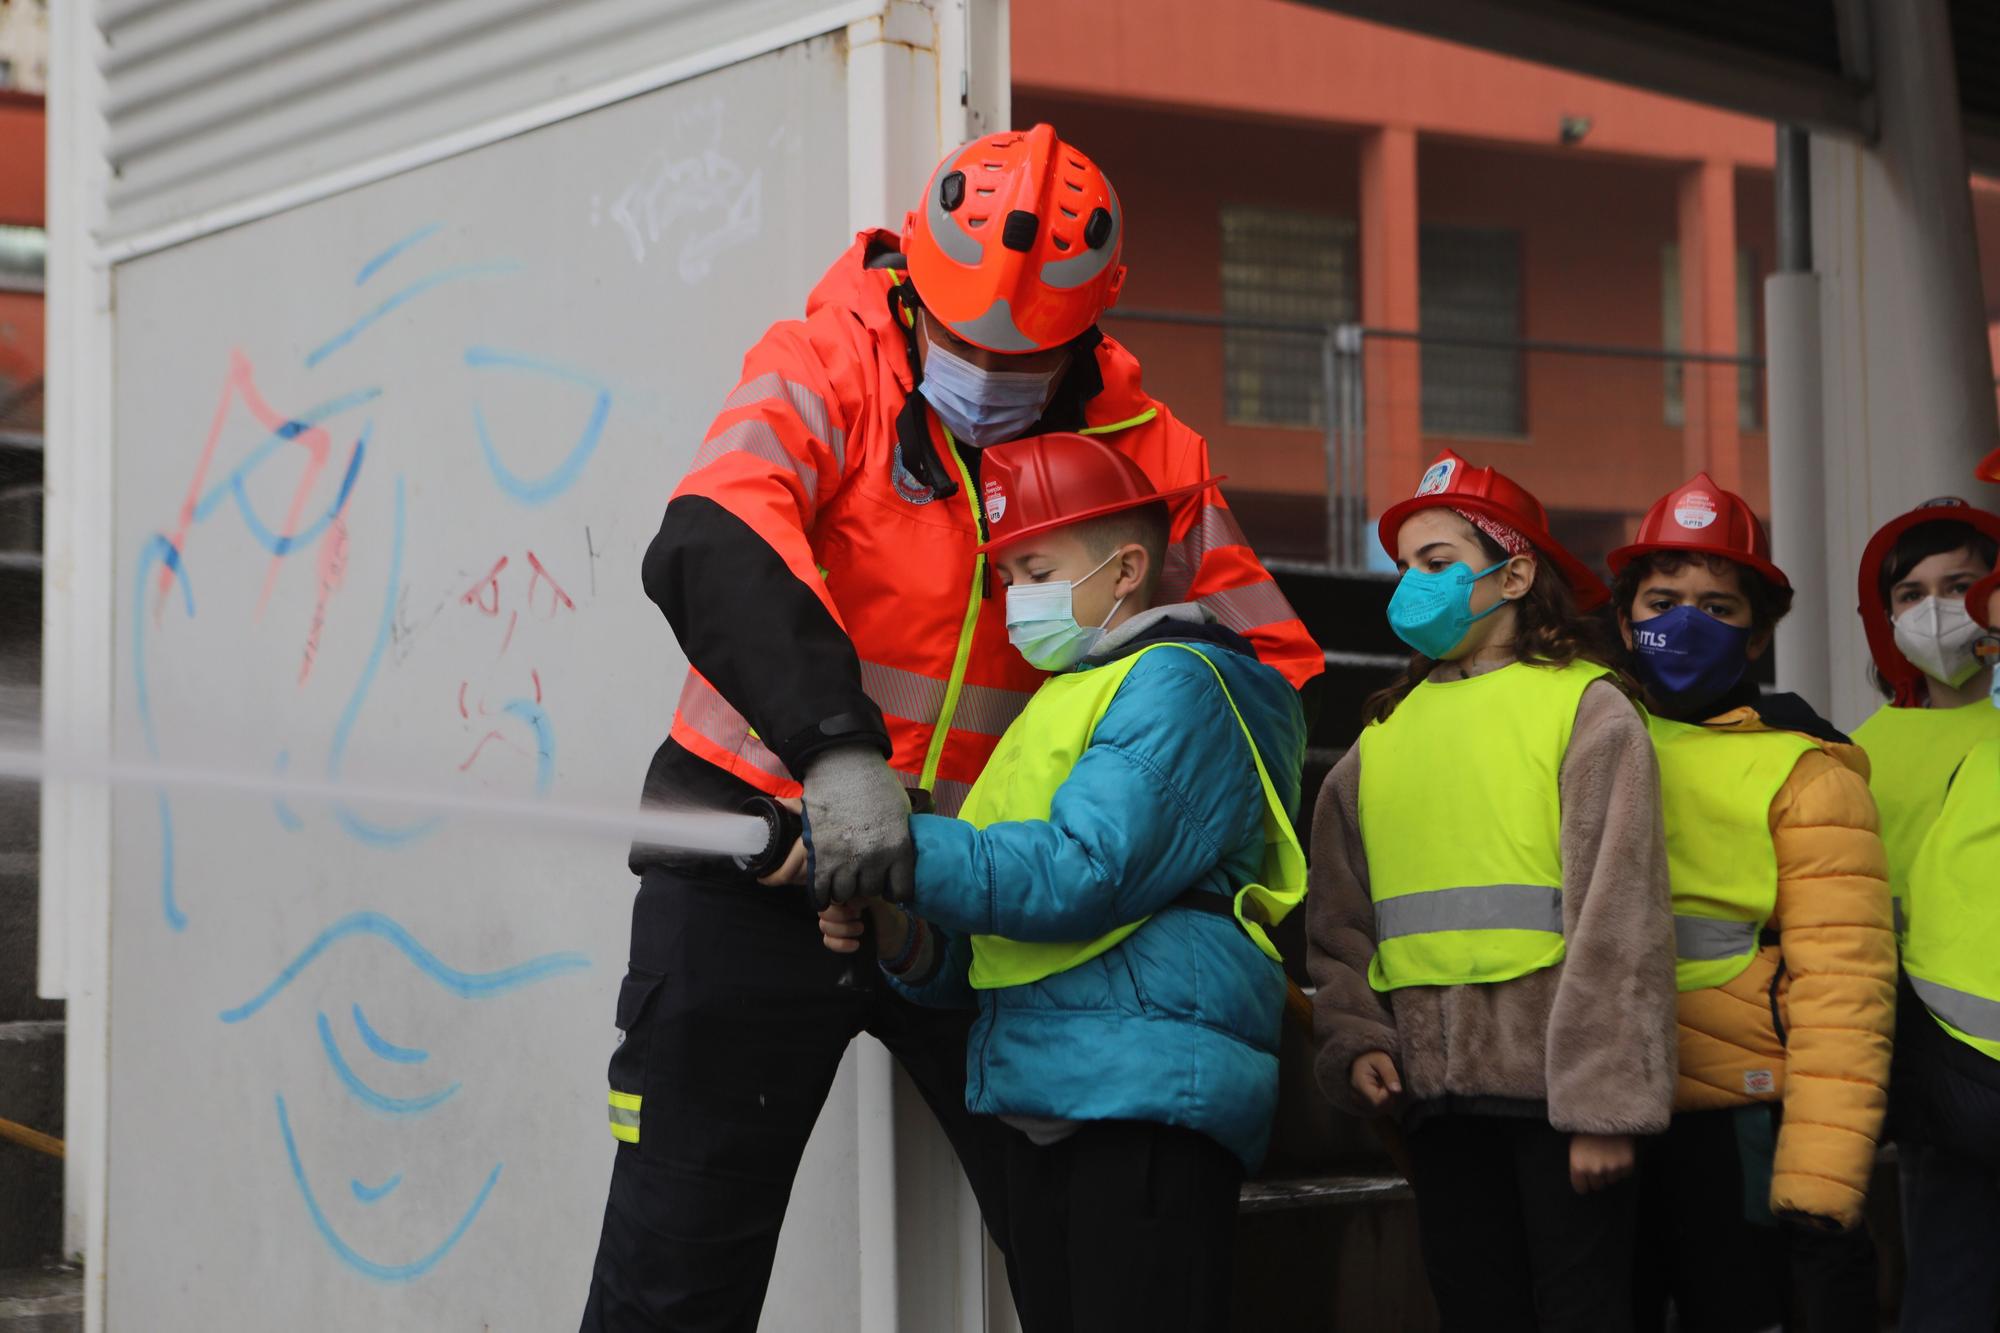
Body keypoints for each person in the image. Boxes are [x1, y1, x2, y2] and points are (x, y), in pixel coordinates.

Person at [580, 124, 1322, 1332]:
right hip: (754, 875)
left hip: (987, 913)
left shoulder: (1148, 457)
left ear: (1090, 333)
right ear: (911, 279)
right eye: (956, 337)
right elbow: (711, 540)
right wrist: (836, 747)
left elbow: (1263, 681)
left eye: (1017, 357)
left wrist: (1145, 872)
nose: (979, 371)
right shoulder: (824, 363)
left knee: (1084, 1275)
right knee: (672, 1288)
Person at [815, 431, 1307, 1333]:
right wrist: (898, 925)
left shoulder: (1182, 685)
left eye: (1034, 567)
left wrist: (905, 848)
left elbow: (1084, 872)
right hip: (1049, 1089)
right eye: (1006, 576)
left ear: (1126, 569)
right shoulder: (1062, 699)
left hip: (1147, 1100)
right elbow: (981, 949)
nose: (1016, 597)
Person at [1306, 449, 1677, 1333]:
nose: (1411, 583)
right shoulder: (1381, 742)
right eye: (1404, 565)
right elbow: (1340, 924)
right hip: (1434, 1101)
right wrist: (1356, 1036)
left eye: (1437, 561)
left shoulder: (1589, 711)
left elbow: (1618, 921)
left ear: (1514, 573)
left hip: (1558, 1103)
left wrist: (1603, 1108)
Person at [1607, 475, 1895, 1333]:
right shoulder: (1585, 741)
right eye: (1663, 599)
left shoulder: (1806, 769)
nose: (1685, 621)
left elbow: (1845, 988)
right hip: (1598, 1114)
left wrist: (1820, 1179)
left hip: (1737, 1128)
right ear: (1625, 618)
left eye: (1718, 606)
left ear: (1761, 633)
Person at [1888, 456, 2000, 1333]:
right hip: (1933, 1065)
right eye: (1911, 592)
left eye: (1960, 585)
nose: (1936, 609)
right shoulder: (1850, 752)